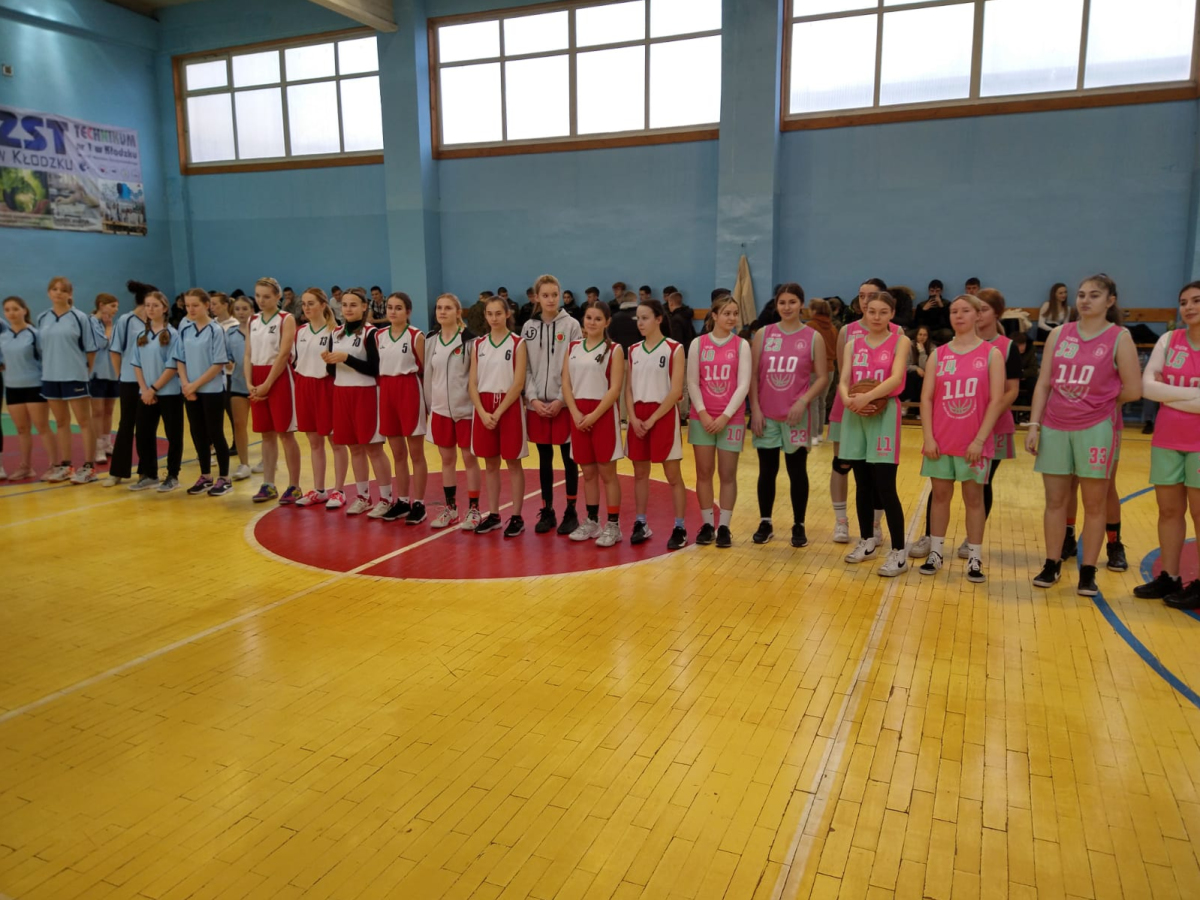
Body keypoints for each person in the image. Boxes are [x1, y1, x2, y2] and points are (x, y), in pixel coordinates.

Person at [1025, 274, 1141, 596]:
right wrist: (1034, 425)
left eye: (1094, 295)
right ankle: (1051, 563)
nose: (1085, 300)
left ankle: (1088, 571)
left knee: (1094, 502)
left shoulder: (1119, 337)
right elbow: (1044, 383)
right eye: (1081, 294)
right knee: (1055, 500)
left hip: (1096, 428)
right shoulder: (1059, 334)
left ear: (1110, 301)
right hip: (1055, 425)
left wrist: (1101, 402)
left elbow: (1133, 389)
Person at [916, 295, 1006, 581]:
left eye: (965, 310)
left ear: (978, 315)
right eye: (954, 311)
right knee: (940, 496)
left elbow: (996, 400)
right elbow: (926, 398)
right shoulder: (938, 355)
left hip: (974, 443)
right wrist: (928, 437)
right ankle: (936, 552)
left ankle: (975, 558)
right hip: (941, 440)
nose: (959, 315)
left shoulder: (991, 354)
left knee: (974, 499)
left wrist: (980, 440)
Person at [1135, 280, 1200, 608]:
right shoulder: (1169, 339)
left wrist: (1169, 395)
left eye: (1196, 301)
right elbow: (1147, 387)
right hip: (1167, 438)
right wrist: (1194, 395)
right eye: (1184, 302)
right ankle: (1169, 577)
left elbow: (1159, 389)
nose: (1189, 307)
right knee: (1169, 510)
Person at [749, 283, 828, 548]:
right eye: (782, 302)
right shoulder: (764, 334)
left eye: (792, 302)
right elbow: (753, 375)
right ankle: (765, 522)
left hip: (796, 416)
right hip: (766, 415)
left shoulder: (813, 337)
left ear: (801, 304)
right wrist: (755, 409)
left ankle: (799, 523)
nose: (787, 307)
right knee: (767, 470)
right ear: (776, 305)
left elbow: (822, 378)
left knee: (797, 471)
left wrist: (803, 401)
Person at [838, 290, 911, 577]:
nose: (877, 317)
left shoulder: (900, 341)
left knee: (885, 486)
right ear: (864, 312)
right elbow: (844, 379)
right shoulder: (852, 344)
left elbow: (896, 378)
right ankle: (867, 541)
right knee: (862, 484)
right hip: (855, 414)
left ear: (892, 314)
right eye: (871, 311)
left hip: (884, 414)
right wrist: (847, 399)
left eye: (883, 312)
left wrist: (867, 397)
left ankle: (899, 552)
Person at [828, 279, 894, 544]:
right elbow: (843, 373)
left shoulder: (896, 333)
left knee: (876, 470)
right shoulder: (847, 332)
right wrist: (853, 399)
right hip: (847, 407)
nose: (865, 301)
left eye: (871, 295)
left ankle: (875, 524)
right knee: (841, 464)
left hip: (879, 409)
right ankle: (841, 521)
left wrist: (872, 398)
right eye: (861, 295)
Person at [321, 289, 392, 516]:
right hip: (342, 393)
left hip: (366, 393)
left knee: (373, 448)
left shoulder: (371, 333)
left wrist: (346, 358)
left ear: (364, 307)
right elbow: (332, 370)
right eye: (344, 305)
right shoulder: (335, 334)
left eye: (353, 304)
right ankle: (363, 497)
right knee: (354, 448)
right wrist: (329, 361)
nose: (348, 309)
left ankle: (387, 498)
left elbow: (374, 368)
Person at [687, 294, 751, 548]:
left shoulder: (741, 345)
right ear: (714, 316)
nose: (732, 318)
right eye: (726, 313)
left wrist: (725, 416)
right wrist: (703, 413)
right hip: (701, 418)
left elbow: (743, 384)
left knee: (727, 474)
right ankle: (706, 524)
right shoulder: (698, 344)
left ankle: (724, 526)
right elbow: (692, 382)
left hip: (730, 420)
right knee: (704, 472)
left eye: (735, 313)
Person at [522, 274, 583, 535]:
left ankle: (571, 510)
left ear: (560, 295)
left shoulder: (572, 326)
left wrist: (561, 398)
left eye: (554, 295)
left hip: (564, 405)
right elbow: (524, 367)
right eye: (545, 295)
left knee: (569, 459)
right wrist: (533, 398)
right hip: (537, 405)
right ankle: (547, 510)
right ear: (537, 297)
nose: (550, 299)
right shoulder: (528, 327)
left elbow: (576, 365)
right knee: (544, 459)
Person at [561, 299, 625, 546]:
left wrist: (594, 415)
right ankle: (592, 521)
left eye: (598, 319)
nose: (592, 322)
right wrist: (575, 413)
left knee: (607, 473)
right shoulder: (573, 347)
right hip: (578, 415)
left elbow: (615, 388)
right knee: (587, 473)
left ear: (607, 322)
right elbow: (566, 383)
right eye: (589, 318)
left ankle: (613, 525)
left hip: (602, 415)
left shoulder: (614, 350)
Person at [625, 299, 688, 550]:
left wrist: (652, 419)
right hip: (638, 417)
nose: (640, 323)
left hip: (662, 416)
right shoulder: (633, 350)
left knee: (673, 475)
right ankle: (641, 523)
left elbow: (675, 391)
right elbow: (628, 390)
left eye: (645, 318)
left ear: (658, 319)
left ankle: (680, 527)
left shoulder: (674, 349)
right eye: (638, 319)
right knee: (640, 474)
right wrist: (632, 418)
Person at [469, 294, 528, 536]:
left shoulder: (517, 343)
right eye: (490, 314)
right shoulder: (478, 344)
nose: (494, 318)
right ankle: (493, 514)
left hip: (509, 406)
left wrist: (498, 411)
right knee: (490, 464)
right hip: (483, 407)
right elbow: (472, 383)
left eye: (498, 313)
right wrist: (483, 412)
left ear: (507, 314)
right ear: (485, 316)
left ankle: (517, 516)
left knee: (513, 462)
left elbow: (518, 383)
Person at [425, 293, 482, 530]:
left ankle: (474, 509)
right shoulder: (431, 340)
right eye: (439, 308)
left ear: (458, 313)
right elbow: (428, 376)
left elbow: (475, 379)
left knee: (469, 459)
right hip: (440, 410)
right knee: (447, 460)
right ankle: (451, 509)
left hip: (465, 410)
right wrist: (430, 406)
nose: (442, 312)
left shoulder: (470, 341)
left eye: (448, 308)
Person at [36, 277, 99, 484]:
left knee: (84, 422)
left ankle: (89, 467)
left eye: (63, 290)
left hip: (75, 376)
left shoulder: (80, 318)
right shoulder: (42, 318)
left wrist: (85, 372)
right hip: (50, 377)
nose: (58, 293)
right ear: (49, 293)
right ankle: (66, 466)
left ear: (70, 294)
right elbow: (41, 349)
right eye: (54, 289)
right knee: (61, 422)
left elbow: (91, 349)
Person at [246, 277, 302, 504]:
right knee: (266, 434)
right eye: (258, 295)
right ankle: (268, 484)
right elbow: (248, 354)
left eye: (267, 296)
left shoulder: (286, 319)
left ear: (278, 297)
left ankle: (294, 486)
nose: (261, 300)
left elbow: (283, 354)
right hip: (257, 376)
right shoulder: (252, 320)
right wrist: (249, 383)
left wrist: (268, 383)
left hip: (279, 377)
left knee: (285, 433)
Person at [375, 291, 428, 524]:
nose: (393, 311)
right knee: (397, 452)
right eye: (390, 307)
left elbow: (426, 371)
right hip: (387, 391)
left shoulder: (416, 336)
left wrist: (428, 403)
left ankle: (420, 503)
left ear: (408, 311)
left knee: (416, 453)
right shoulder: (379, 336)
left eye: (398, 308)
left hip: (409, 390)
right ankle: (403, 501)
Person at [293, 288, 348, 509]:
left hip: (327, 386)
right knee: (314, 441)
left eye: (311, 303)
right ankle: (319, 489)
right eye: (304, 304)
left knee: (336, 441)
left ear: (323, 305)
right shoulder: (300, 331)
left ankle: (339, 490)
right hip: (304, 386)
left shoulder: (335, 332)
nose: (306, 308)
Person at [176, 289, 233, 496]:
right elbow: (180, 359)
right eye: (187, 305)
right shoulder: (185, 329)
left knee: (215, 432)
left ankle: (225, 478)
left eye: (195, 305)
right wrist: (186, 384)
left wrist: (195, 385)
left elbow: (218, 364)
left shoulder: (216, 330)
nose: (191, 309)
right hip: (190, 390)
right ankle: (206, 475)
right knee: (197, 432)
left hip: (211, 389)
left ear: (206, 305)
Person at [130, 291, 184, 492]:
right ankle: (149, 474)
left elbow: (172, 366)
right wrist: (145, 390)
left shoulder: (172, 334)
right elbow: (136, 364)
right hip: (146, 394)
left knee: (173, 435)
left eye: (155, 305)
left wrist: (153, 389)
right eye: (147, 305)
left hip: (169, 393)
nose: (150, 309)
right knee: (143, 434)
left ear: (164, 308)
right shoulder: (141, 336)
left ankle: (172, 475)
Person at [103, 280, 153, 487]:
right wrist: (120, 376)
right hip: (130, 381)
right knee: (126, 425)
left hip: (150, 384)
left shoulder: (156, 321)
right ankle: (117, 472)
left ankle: (146, 471)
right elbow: (115, 351)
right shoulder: (126, 320)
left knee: (146, 427)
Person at [1, 296, 55, 480]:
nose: (11, 313)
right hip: (12, 388)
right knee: (22, 429)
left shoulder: (35, 334)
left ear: (24, 310)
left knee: (42, 427)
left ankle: (54, 466)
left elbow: (46, 359)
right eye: (7, 310)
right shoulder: (3, 337)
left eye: (15, 309)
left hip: (34, 386)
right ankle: (26, 467)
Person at [224, 294, 255, 481]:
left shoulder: (259, 330)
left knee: (265, 426)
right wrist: (227, 361)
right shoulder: (230, 333)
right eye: (237, 309)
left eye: (245, 309)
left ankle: (269, 459)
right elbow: (227, 355)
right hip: (237, 382)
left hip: (258, 384)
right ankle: (244, 464)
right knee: (238, 423)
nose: (241, 312)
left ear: (252, 310)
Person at [89, 293, 121, 465]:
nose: (116, 310)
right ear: (101, 305)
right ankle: (97, 447)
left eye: (117, 306)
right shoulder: (91, 322)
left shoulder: (112, 325)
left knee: (109, 410)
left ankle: (107, 442)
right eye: (113, 306)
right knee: (97, 411)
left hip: (112, 372)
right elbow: (101, 343)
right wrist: (108, 329)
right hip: (96, 373)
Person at [903, 326, 933, 406]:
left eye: (925, 335)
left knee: (923, 379)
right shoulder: (909, 345)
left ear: (928, 337)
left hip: (926, 375)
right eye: (920, 334)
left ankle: (921, 405)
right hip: (911, 374)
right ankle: (907, 402)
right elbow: (905, 365)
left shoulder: (932, 348)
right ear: (916, 335)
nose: (922, 337)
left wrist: (922, 352)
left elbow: (927, 368)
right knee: (913, 375)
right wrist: (916, 368)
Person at [915, 280, 952, 345]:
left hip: (940, 330)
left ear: (941, 291)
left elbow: (949, 323)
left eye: (937, 291)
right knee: (909, 334)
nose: (934, 293)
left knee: (947, 333)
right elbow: (916, 323)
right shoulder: (921, 305)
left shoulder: (947, 304)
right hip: (925, 330)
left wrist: (941, 307)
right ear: (929, 291)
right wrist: (923, 310)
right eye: (932, 291)